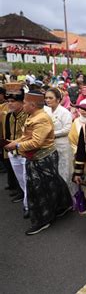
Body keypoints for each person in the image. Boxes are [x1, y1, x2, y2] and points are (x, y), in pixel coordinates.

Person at [4, 91, 73, 235]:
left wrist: (16, 146)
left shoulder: (40, 118)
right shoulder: (34, 115)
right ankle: (63, 206)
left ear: (32, 105)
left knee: (39, 189)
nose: (23, 105)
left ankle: (43, 220)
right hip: (38, 156)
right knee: (52, 183)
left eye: (24, 103)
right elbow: (26, 136)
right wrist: (14, 142)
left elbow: (36, 142)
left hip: (42, 157)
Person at [3, 82, 29, 218]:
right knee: (21, 180)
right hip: (13, 153)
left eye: (13, 101)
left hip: (26, 153)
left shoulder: (28, 116)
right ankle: (28, 201)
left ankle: (28, 206)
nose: (10, 104)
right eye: (8, 101)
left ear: (21, 102)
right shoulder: (8, 115)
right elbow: (7, 133)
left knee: (27, 179)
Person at [44, 88, 74, 198]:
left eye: (50, 98)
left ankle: (68, 198)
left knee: (64, 172)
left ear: (58, 99)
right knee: (53, 172)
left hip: (63, 145)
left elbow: (67, 129)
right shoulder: (46, 111)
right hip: (49, 146)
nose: (47, 100)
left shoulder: (64, 112)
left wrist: (51, 134)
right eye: (46, 98)